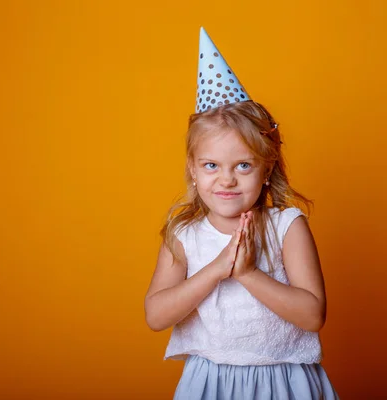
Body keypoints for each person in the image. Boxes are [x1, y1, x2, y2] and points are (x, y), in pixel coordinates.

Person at [144, 27, 339, 400]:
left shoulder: (287, 227)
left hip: (284, 381)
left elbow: (313, 315)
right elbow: (156, 315)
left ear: (267, 168)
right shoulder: (183, 234)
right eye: (212, 165)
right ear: (193, 169)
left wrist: (247, 272)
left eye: (244, 166)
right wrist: (218, 269)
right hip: (209, 382)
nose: (227, 180)